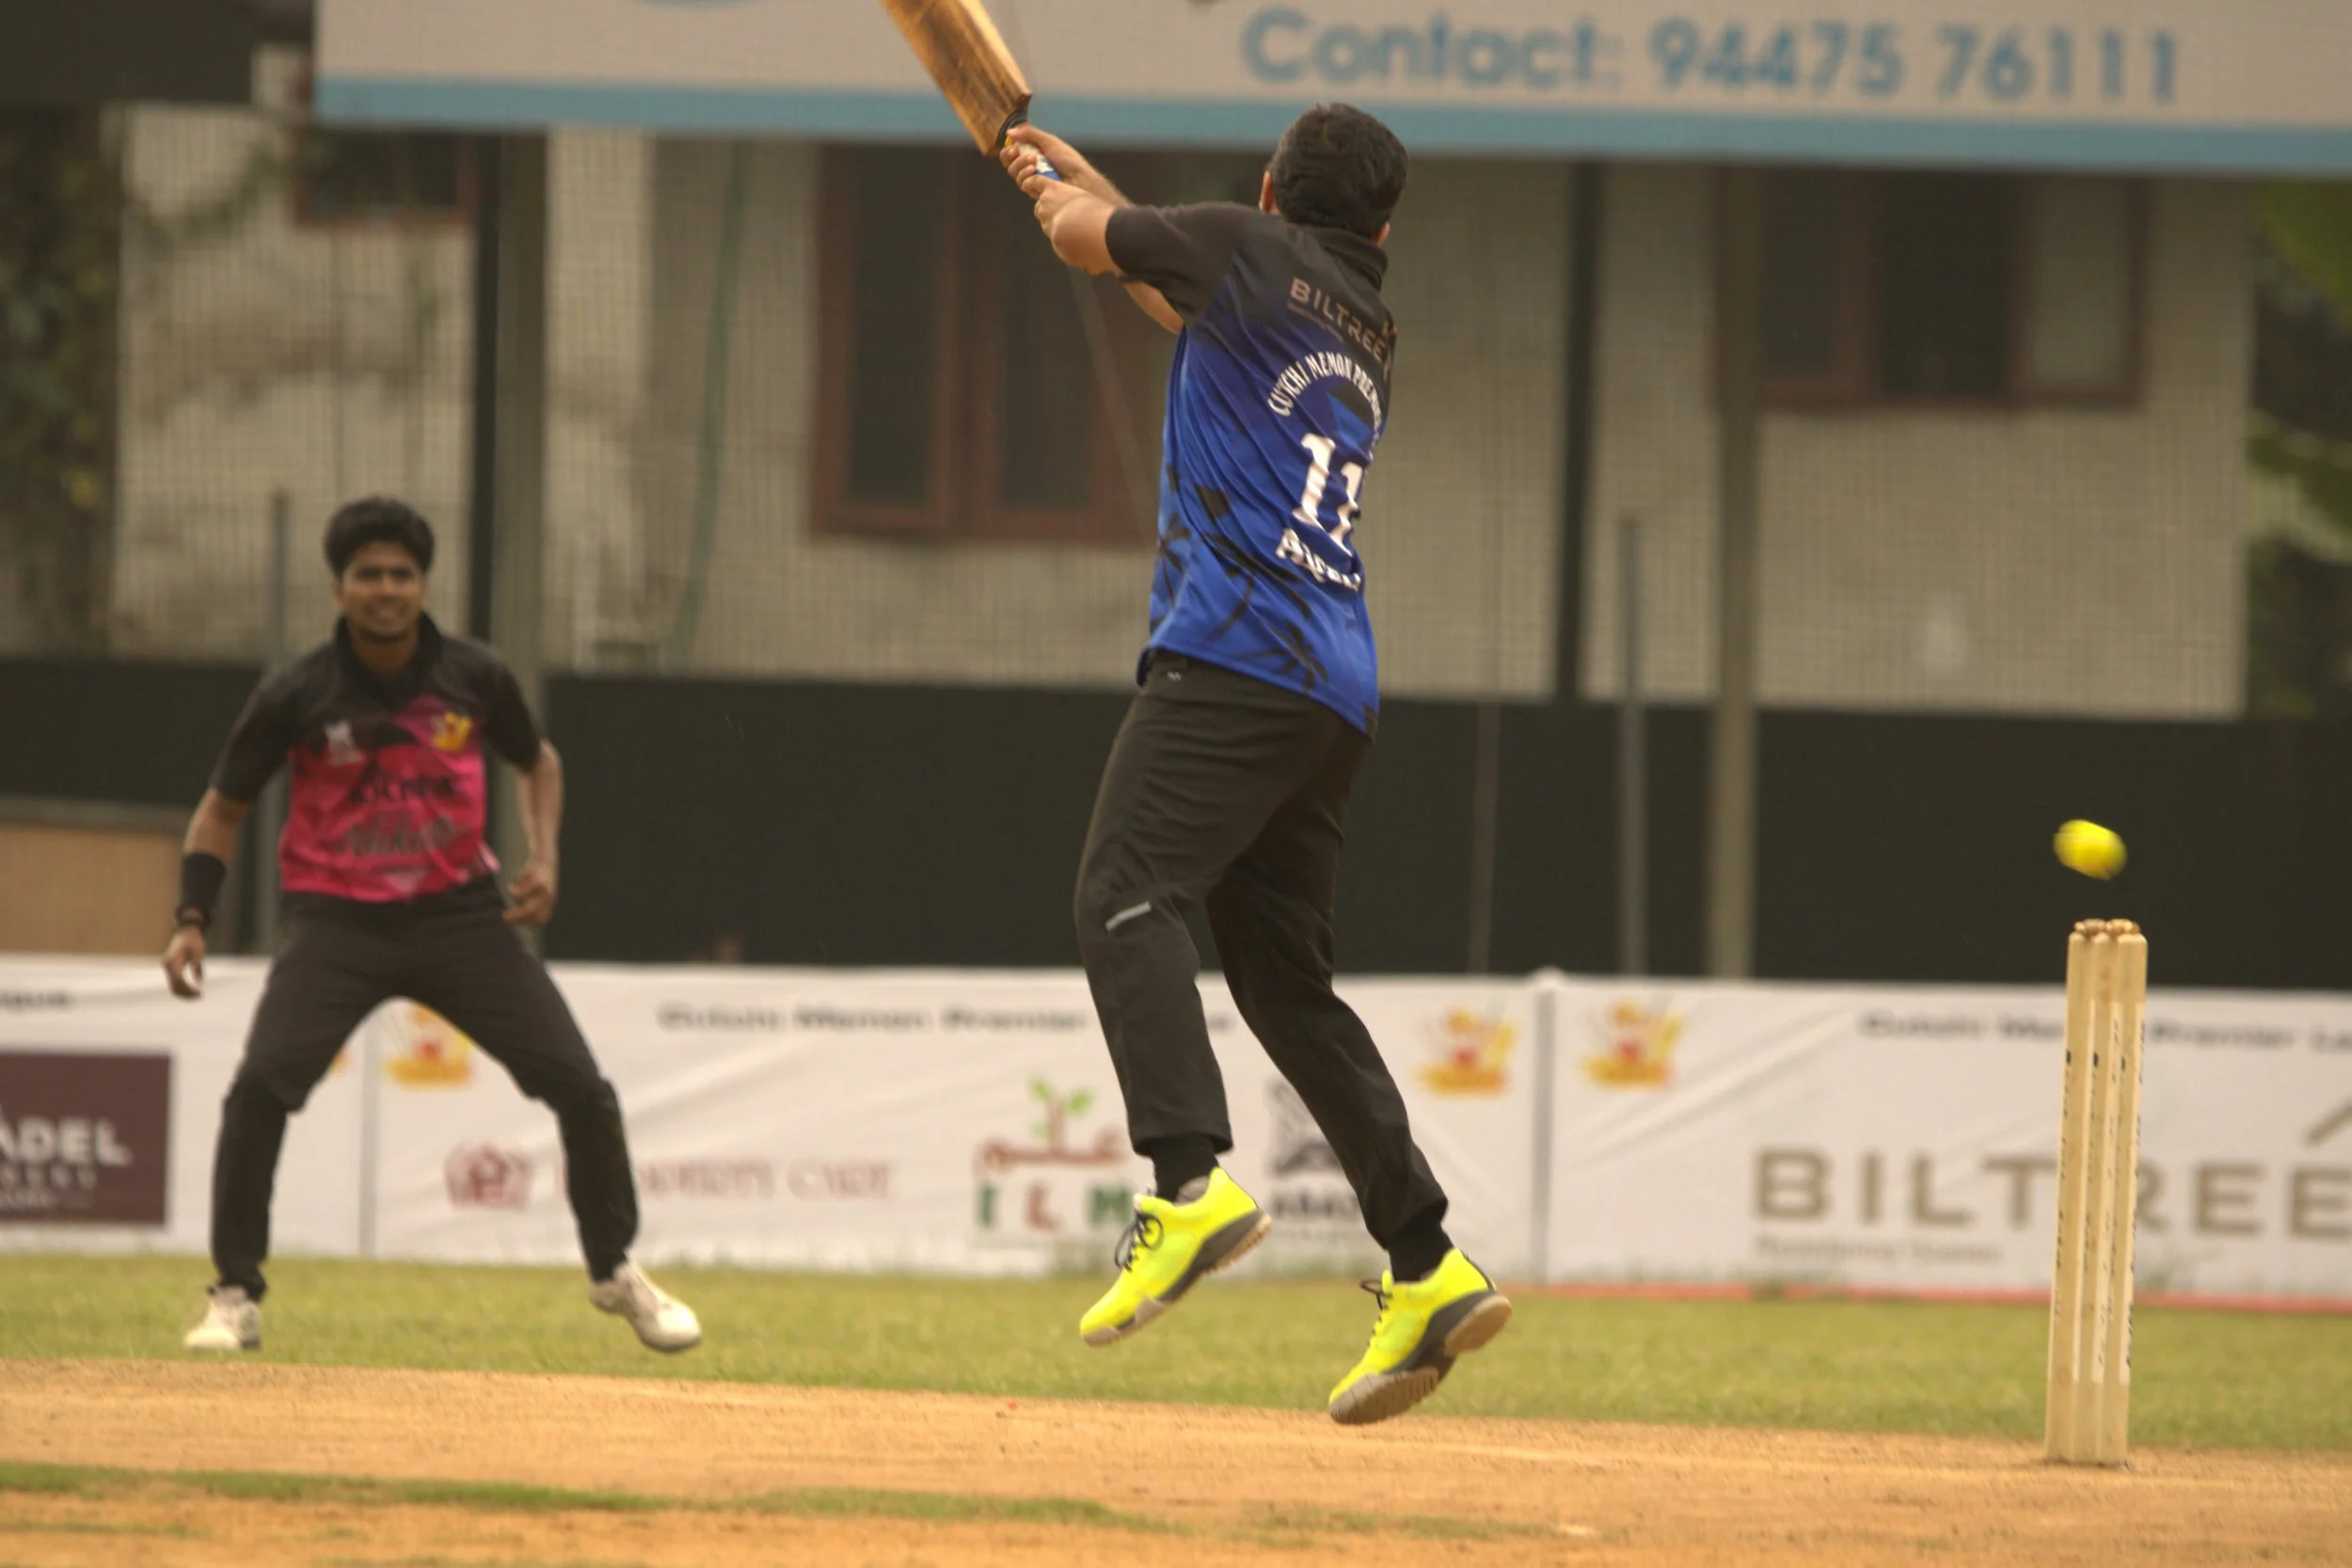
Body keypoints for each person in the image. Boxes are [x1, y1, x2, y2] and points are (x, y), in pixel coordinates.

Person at [1001, 104, 1509, 1425]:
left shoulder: (1238, 246)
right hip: (1332, 685)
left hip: (1234, 653)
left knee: (1122, 892)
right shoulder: (1361, 319)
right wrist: (1064, 172)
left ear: (1273, 188)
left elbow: (1087, 242)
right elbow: (1152, 272)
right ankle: (1428, 1262)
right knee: (1286, 985)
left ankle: (1187, 1180)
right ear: (1381, 227)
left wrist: (1053, 194)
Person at [165, 497, 699, 1356]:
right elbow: (222, 809)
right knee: (260, 1086)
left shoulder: (473, 675)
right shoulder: (297, 691)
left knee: (580, 1085)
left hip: (460, 919)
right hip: (338, 923)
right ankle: (234, 1296)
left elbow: (539, 763)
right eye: (368, 574)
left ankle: (615, 1271)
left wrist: (545, 857)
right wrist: (192, 919)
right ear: (338, 589)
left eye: (402, 574)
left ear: (423, 585)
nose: (386, 589)